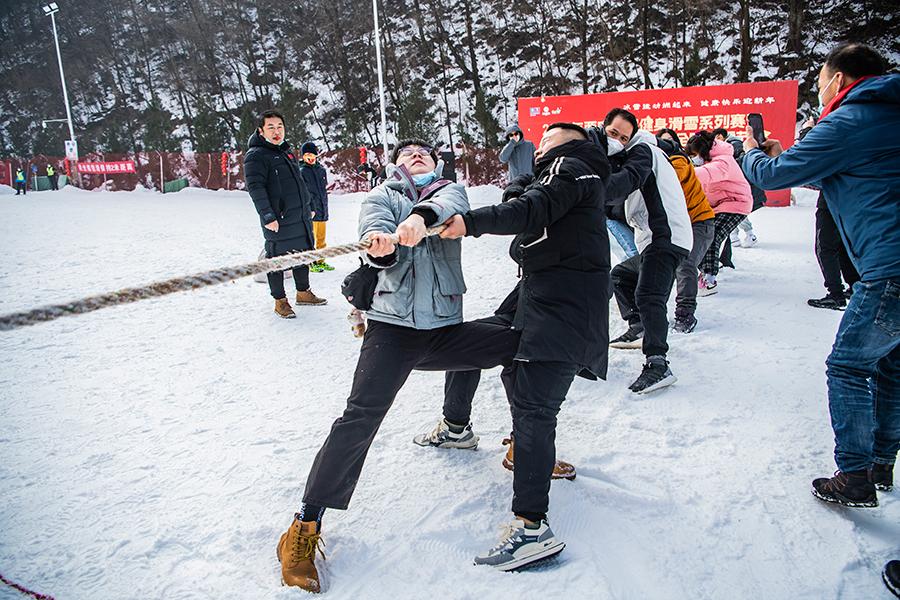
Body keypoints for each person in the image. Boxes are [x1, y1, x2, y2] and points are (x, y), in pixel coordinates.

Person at [278, 140, 523, 591]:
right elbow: (376, 233)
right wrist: (382, 247)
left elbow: (448, 206)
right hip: (392, 330)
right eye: (407, 154)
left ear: (436, 162)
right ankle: (305, 523)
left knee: (518, 345)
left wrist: (419, 219)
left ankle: (519, 444)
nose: (416, 156)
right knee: (360, 417)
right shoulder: (382, 195)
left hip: (445, 327)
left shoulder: (450, 190)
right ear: (396, 165)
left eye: (424, 153)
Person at [439, 122, 610, 570]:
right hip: (536, 301)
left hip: (564, 311)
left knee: (535, 408)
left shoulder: (573, 167)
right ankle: (459, 429)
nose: (540, 144)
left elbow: (531, 208)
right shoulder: (563, 172)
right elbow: (529, 199)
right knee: (474, 346)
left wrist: (470, 223)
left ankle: (532, 529)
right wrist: (523, 182)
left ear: (569, 141)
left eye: (548, 137)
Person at [741, 42, 899, 508]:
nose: (820, 90)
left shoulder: (851, 118)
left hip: (889, 267)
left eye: (821, 81)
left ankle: (854, 476)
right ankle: (880, 463)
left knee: (849, 366)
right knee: (890, 367)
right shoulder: (886, 115)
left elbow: (774, 176)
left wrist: (751, 153)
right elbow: (839, 171)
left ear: (840, 79)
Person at [603, 110, 693, 393]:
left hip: (665, 237)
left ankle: (658, 363)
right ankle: (639, 326)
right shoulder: (633, 154)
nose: (617, 140)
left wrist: (585, 186)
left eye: (623, 137)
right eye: (613, 133)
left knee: (649, 295)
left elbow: (623, 184)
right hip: (655, 238)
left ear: (632, 138)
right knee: (621, 276)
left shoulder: (642, 152)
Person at [244, 109, 326, 318]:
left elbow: (299, 182)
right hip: (278, 218)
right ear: (261, 131)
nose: (276, 131)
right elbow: (256, 188)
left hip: (299, 215)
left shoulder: (286, 151)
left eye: (280, 127)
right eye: (271, 127)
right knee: (276, 259)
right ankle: (280, 301)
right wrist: (267, 216)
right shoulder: (255, 156)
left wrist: (308, 204)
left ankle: (303, 293)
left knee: (301, 254)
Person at [795, 118, 860, 310]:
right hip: (849, 199)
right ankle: (854, 286)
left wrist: (806, 131)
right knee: (842, 246)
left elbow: (810, 151)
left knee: (825, 247)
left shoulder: (836, 131)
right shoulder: (857, 131)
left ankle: (835, 294)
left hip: (832, 199)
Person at [656, 135, 717, 333]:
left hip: (700, 223)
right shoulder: (660, 164)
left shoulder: (677, 162)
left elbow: (672, 179)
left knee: (685, 263)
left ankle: (685, 314)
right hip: (676, 226)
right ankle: (653, 311)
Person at [686, 131, 753, 294]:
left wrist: (681, 172)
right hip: (718, 206)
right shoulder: (707, 161)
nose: (693, 158)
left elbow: (706, 174)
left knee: (712, 235)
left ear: (702, 151)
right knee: (702, 234)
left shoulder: (723, 161)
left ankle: (709, 278)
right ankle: (703, 271)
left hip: (736, 204)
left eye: (694, 155)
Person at [712, 128, 762, 250]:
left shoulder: (735, 145)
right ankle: (735, 236)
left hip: (740, 184)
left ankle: (749, 234)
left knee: (737, 211)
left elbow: (741, 162)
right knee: (731, 210)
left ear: (720, 136)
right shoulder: (730, 145)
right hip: (732, 184)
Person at [299, 141, 333, 273]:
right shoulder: (301, 171)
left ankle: (321, 261)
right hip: (311, 211)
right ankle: (311, 263)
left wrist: (324, 207)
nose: (310, 157)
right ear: (303, 156)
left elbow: (323, 190)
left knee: (321, 239)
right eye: (307, 155)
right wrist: (309, 208)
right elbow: (303, 193)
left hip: (322, 209)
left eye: (312, 154)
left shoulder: (321, 170)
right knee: (310, 239)